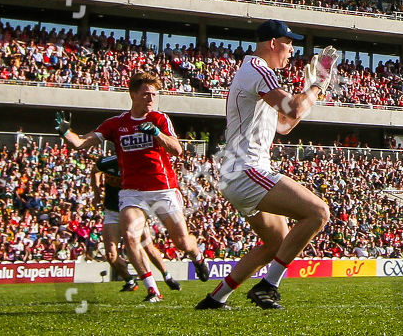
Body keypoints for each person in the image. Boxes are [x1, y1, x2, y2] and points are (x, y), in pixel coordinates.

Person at [195, 20, 336, 311]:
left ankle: (215, 298)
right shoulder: (258, 69)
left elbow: (284, 124)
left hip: (239, 172)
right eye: (288, 44)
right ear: (273, 43)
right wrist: (318, 84)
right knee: (318, 212)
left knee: (276, 242)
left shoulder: (256, 73)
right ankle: (269, 286)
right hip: (247, 170)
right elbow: (294, 107)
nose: (291, 50)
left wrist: (311, 92)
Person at [58, 71, 210, 303]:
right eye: (146, 94)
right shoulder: (116, 124)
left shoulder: (159, 119)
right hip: (132, 192)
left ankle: (197, 256)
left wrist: (157, 134)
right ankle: (152, 289)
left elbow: (177, 150)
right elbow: (81, 143)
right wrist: (65, 132)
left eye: (154, 95)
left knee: (181, 242)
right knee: (130, 235)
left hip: (163, 188)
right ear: (133, 95)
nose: (151, 99)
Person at [92, 155, 179, 292]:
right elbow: (95, 169)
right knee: (111, 255)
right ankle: (130, 280)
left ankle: (166, 276)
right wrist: (96, 192)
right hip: (112, 212)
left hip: (133, 211)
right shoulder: (109, 161)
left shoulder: (139, 163)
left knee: (147, 246)